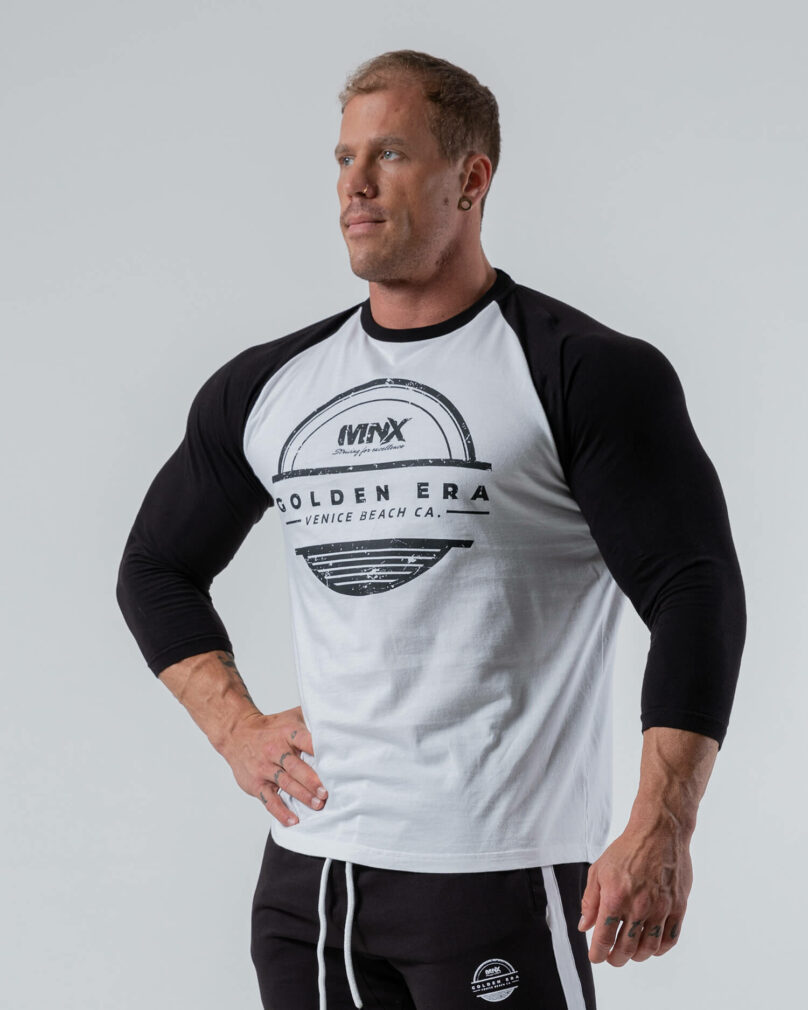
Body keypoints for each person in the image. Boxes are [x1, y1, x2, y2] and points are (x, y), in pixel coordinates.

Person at [116, 49, 746, 1010]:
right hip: (310, 878)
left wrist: (664, 823)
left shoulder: (580, 371)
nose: (355, 185)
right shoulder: (272, 386)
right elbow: (156, 566)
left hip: (497, 871)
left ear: (472, 178)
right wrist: (235, 727)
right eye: (344, 158)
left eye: (391, 154)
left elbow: (695, 592)